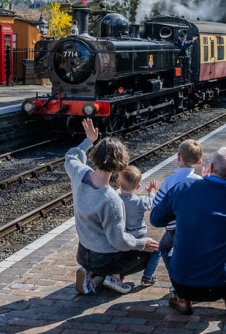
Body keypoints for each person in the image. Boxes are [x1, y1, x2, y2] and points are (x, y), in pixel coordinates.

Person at [150, 143, 226, 317]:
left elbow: (155, 219)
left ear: (211, 167)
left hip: (183, 284)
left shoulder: (182, 189)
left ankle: (181, 299)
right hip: (221, 286)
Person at [66, 118, 159, 295]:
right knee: (151, 249)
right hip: (104, 259)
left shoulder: (79, 173)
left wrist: (88, 140)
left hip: (83, 252)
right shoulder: (111, 199)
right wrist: (141, 243)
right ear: (119, 167)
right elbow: (119, 242)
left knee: (117, 245)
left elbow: (70, 156)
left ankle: (89, 272)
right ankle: (111, 277)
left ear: (95, 155)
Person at [153, 139, 203, 270]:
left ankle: (174, 277)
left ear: (178, 157)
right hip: (194, 228)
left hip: (173, 230)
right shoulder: (200, 181)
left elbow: (157, 206)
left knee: (163, 248)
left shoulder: (169, 181)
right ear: (199, 162)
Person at [117, 165, 162, 285]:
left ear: (117, 182)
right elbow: (153, 203)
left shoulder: (115, 199)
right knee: (157, 250)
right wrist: (151, 192)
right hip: (139, 238)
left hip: (121, 238)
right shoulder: (140, 201)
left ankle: (118, 274)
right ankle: (148, 276)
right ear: (138, 186)